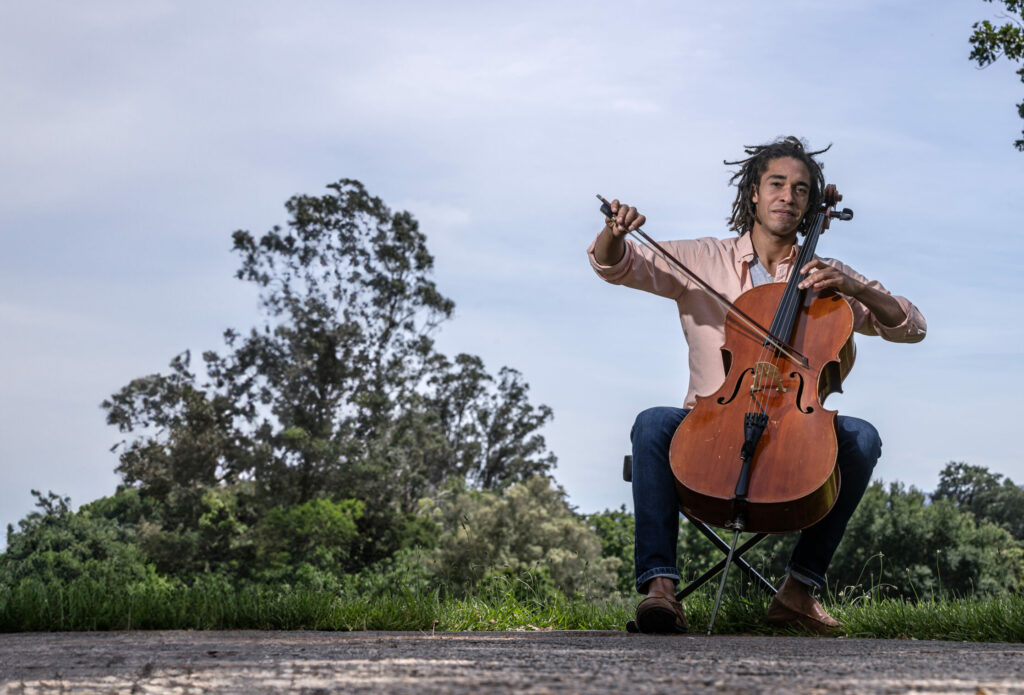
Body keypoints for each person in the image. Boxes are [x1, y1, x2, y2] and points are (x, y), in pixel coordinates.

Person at [587, 136, 926, 634]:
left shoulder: (825, 279)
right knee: (653, 424)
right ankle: (660, 590)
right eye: (777, 184)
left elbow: (911, 327)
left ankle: (798, 590)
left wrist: (854, 287)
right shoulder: (704, 258)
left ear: (812, 205)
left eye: (801, 189)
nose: (788, 196)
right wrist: (614, 232)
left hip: (791, 445)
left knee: (862, 438)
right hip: (708, 436)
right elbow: (615, 265)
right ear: (754, 192)